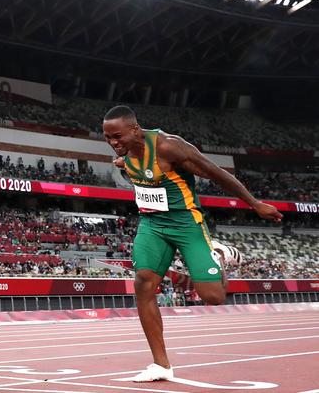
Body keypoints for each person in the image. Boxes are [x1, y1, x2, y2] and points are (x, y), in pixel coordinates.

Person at [101, 105, 282, 382]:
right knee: (143, 283)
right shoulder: (125, 155)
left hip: (186, 223)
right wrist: (125, 164)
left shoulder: (169, 147)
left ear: (135, 129)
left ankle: (219, 255)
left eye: (118, 136)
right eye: (107, 138)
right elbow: (140, 172)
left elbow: (217, 173)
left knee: (214, 296)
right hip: (152, 225)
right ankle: (160, 364)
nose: (113, 143)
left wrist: (255, 204)